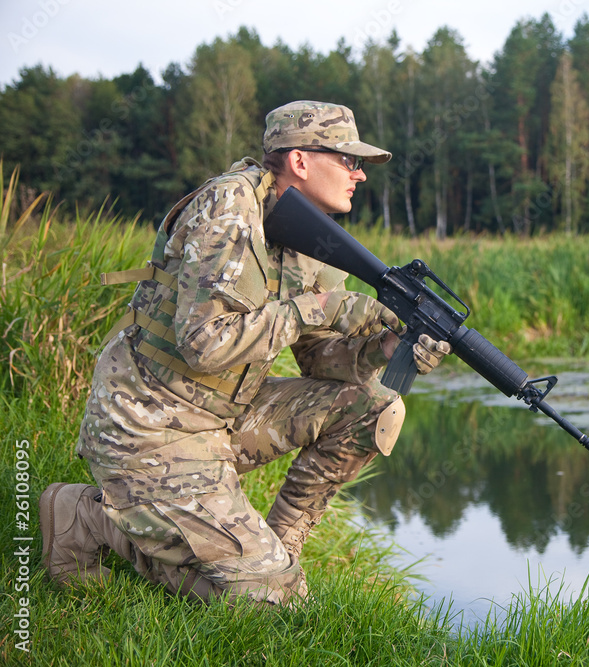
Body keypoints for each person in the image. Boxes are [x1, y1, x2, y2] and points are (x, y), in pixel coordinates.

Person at [39, 100, 450, 607]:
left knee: (374, 406)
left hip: (221, 416)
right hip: (148, 427)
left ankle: (279, 550)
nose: (359, 175)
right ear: (300, 160)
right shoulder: (229, 208)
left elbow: (320, 361)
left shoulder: (309, 233)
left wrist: (385, 346)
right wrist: (318, 307)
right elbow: (204, 343)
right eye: (348, 159)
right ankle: (86, 519)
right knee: (271, 604)